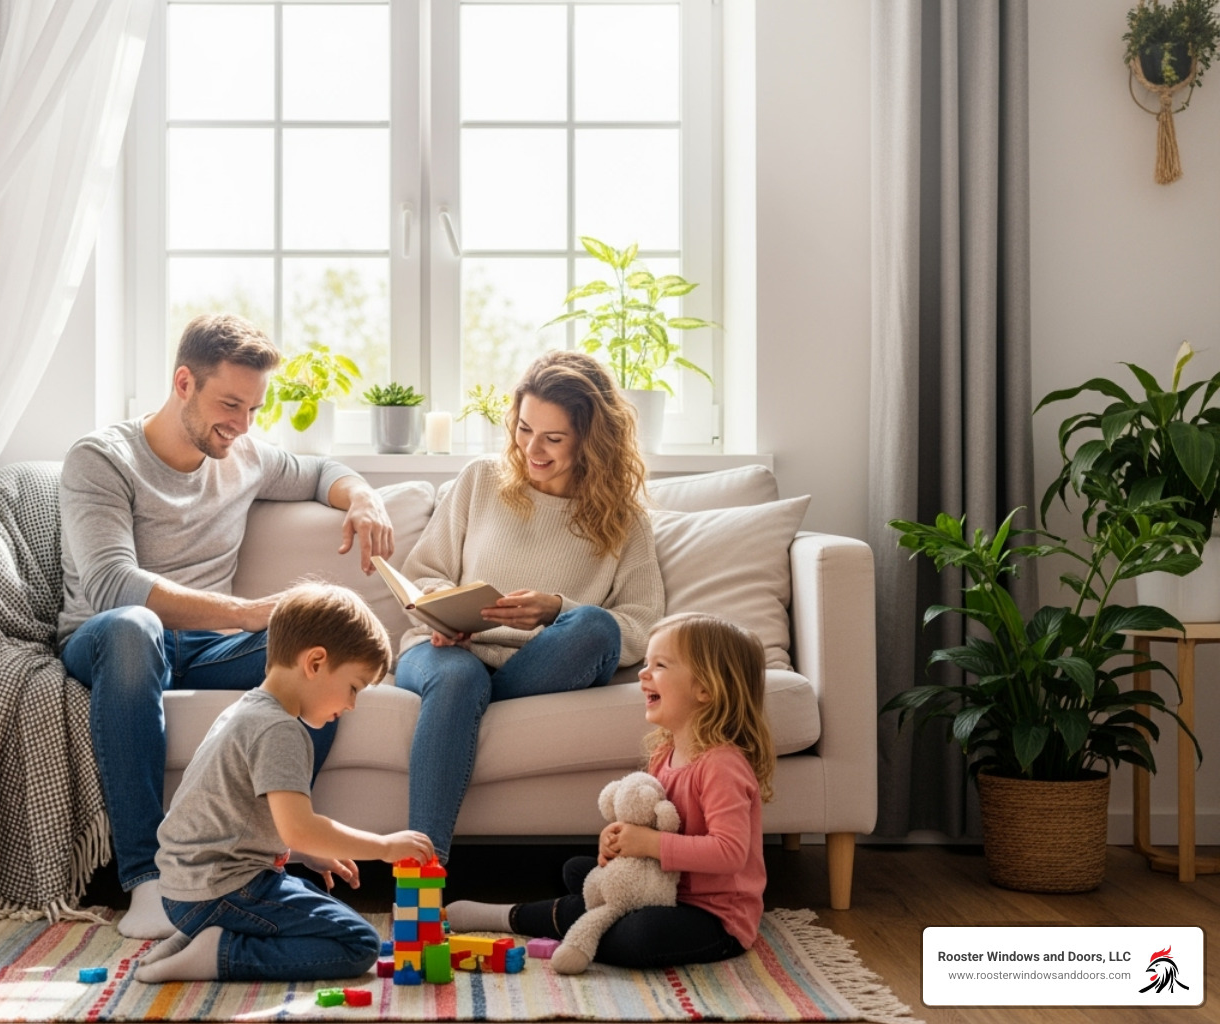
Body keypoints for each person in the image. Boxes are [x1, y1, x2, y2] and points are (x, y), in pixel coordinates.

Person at [57, 313, 394, 939]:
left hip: (206, 649)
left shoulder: (245, 456)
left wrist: (366, 498)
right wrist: (243, 613)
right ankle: (148, 880)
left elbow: (321, 472)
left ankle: (271, 855)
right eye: (229, 404)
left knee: (314, 651)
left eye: (253, 409)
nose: (241, 425)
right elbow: (110, 585)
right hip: (111, 640)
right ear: (184, 382)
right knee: (134, 627)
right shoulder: (101, 459)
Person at [393, 349, 665, 861]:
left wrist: (556, 609)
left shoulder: (625, 521)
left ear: (591, 439)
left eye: (553, 438)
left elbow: (642, 624)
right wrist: (442, 611)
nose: (531, 449)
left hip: (542, 666)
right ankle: (421, 877)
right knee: (459, 679)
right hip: (445, 653)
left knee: (593, 626)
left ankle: (471, 708)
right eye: (523, 429)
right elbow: (424, 572)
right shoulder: (480, 480)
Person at [134, 583, 435, 984]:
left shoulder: (247, 710)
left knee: (312, 910)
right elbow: (300, 828)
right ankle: (220, 953)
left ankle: (195, 936)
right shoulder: (279, 730)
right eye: (353, 687)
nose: (351, 705)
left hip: (182, 890)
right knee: (359, 943)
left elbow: (240, 815)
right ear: (315, 662)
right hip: (220, 889)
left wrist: (306, 853)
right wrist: (384, 848)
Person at [445, 613, 775, 968]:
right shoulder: (665, 753)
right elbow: (649, 823)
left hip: (715, 918)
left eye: (660, 665)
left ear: (705, 689)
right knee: (578, 870)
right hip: (662, 891)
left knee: (640, 935)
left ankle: (512, 917)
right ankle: (582, 917)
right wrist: (619, 840)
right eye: (646, 663)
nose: (643, 674)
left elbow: (729, 853)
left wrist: (649, 843)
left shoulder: (722, 765)